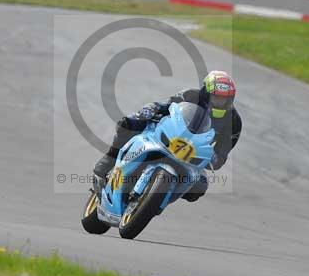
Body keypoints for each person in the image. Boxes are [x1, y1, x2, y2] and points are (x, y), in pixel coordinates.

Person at [92, 70, 242, 202]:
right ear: (206, 92)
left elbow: (223, 152)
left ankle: (160, 196)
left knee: (199, 187)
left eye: (224, 99)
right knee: (129, 123)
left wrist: (214, 158)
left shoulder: (234, 122)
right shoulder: (191, 95)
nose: (220, 103)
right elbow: (166, 105)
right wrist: (151, 109)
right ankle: (108, 161)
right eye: (216, 98)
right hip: (168, 135)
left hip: (193, 154)